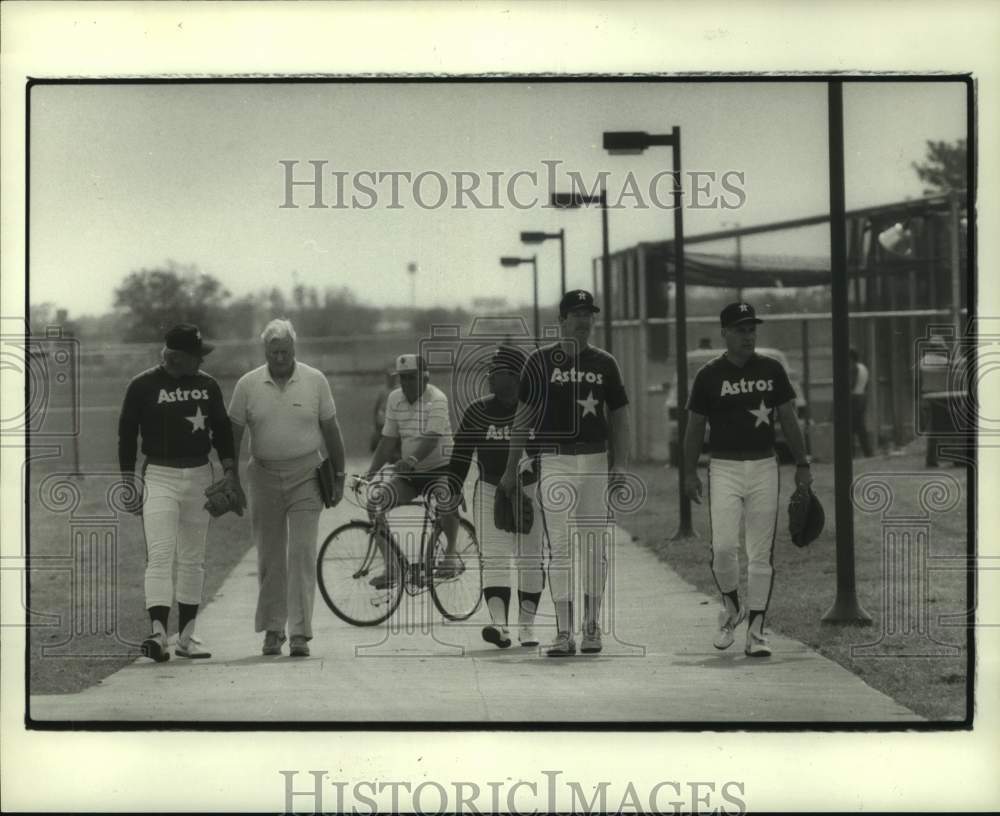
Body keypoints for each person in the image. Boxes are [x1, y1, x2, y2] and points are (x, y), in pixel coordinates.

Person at [501, 289, 631, 657]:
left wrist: (621, 463)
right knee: (558, 546)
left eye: (588, 313)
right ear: (561, 320)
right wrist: (511, 469)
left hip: (594, 460)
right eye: (576, 313)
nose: (584, 319)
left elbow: (620, 415)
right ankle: (563, 631)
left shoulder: (605, 362)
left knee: (593, 546)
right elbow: (523, 417)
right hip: (555, 459)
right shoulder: (540, 362)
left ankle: (591, 626)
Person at [682, 302, 812, 658]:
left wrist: (802, 462)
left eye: (751, 328)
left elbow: (788, 417)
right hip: (723, 467)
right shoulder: (709, 374)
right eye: (740, 329)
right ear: (724, 332)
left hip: (764, 466)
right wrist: (689, 471)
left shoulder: (771, 369)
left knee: (759, 552)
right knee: (724, 548)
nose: (748, 335)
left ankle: (756, 629)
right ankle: (731, 608)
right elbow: (694, 425)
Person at [117, 323, 240, 662]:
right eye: (196, 355)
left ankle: (186, 637)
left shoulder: (208, 384)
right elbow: (127, 434)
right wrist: (128, 480)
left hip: (200, 473)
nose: (201, 361)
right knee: (159, 553)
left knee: (192, 558)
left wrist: (229, 470)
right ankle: (158, 632)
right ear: (176, 357)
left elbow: (222, 431)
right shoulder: (142, 385)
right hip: (159, 475)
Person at [228, 319, 346, 658]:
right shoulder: (248, 385)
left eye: (285, 351)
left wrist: (338, 475)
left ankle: (299, 633)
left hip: (307, 473)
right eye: (273, 351)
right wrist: (231, 477)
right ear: (264, 351)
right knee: (270, 554)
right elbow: (234, 434)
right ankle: (272, 629)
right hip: (263, 474)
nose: (280, 358)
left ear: (294, 349)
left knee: (302, 553)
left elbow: (331, 428)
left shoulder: (315, 380)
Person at [448, 345, 544, 648]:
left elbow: (551, 452)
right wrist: (452, 489)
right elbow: (461, 455)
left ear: (516, 377)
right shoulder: (478, 410)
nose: (490, 377)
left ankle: (527, 626)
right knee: (494, 558)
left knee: (530, 559)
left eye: (497, 372)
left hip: (530, 489)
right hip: (490, 489)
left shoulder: (537, 408)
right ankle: (499, 625)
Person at [362, 353, 461, 588]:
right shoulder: (394, 398)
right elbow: (387, 441)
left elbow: (432, 437)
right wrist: (370, 473)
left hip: (441, 467)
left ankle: (450, 554)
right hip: (410, 473)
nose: (405, 383)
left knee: (446, 499)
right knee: (374, 504)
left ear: (425, 378)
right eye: (402, 378)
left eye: (411, 377)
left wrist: (413, 458)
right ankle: (392, 568)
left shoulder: (437, 399)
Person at [849, 348, 874, 458]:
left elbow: (851, 384)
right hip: (862, 396)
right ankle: (867, 451)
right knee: (860, 427)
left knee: (850, 427)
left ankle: (852, 452)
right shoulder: (863, 368)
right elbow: (866, 384)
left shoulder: (853, 368)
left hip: (853, 398)